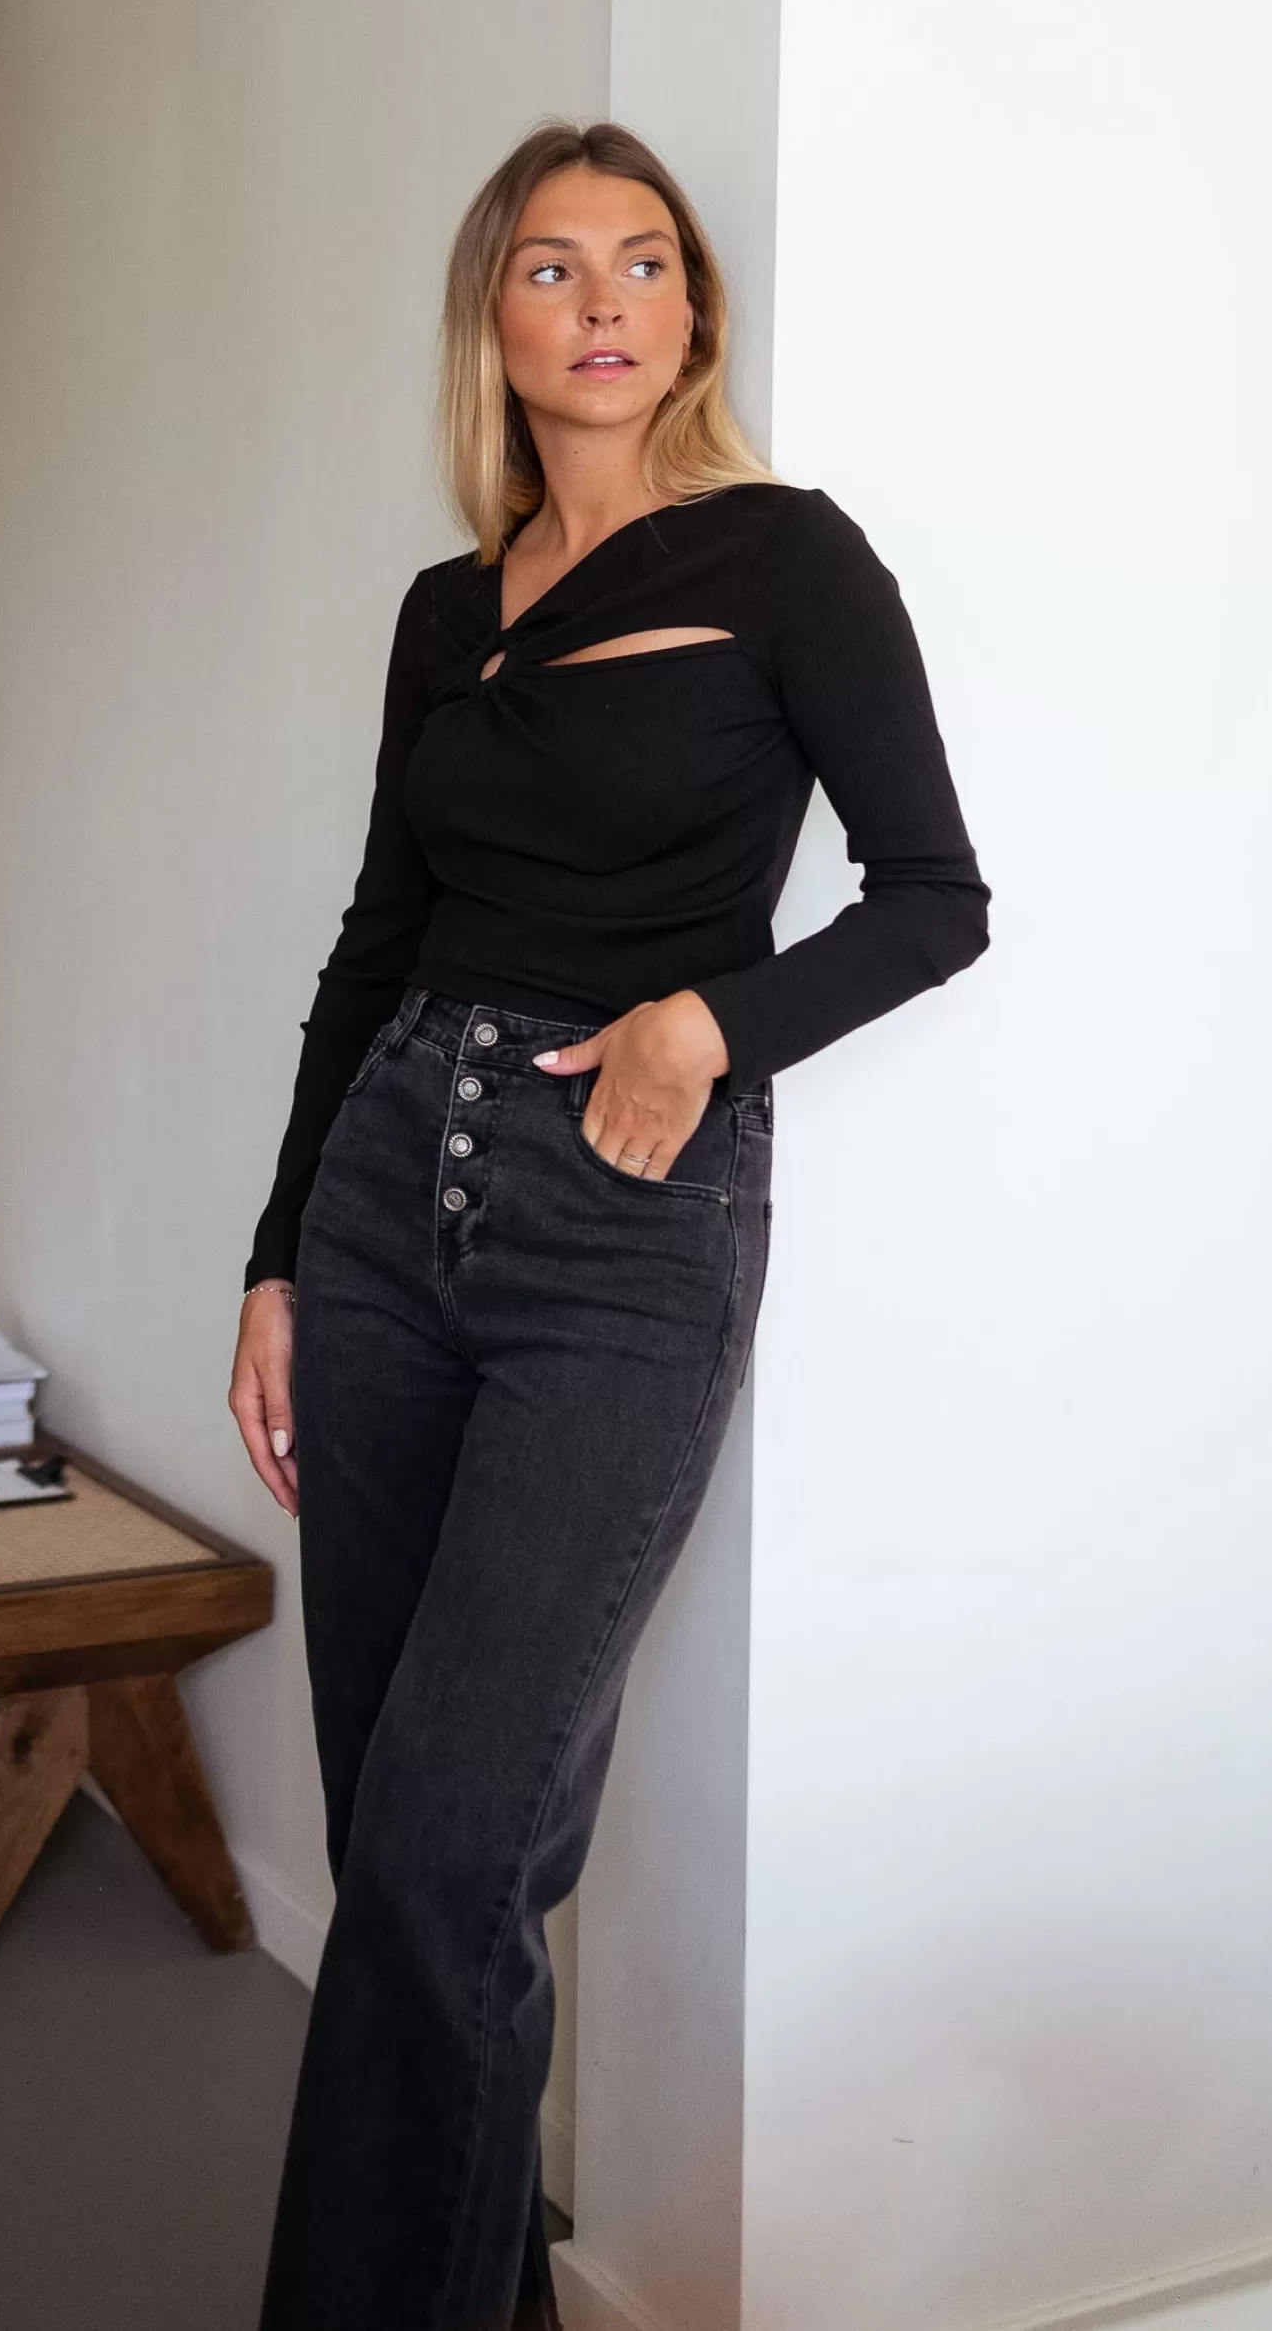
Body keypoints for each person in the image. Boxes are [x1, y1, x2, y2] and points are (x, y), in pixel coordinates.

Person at [228, 118, 990, 2331]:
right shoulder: (444, 610)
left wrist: (708, 1028)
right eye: (554, 267)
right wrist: (275, 1253)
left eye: (646, 263)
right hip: (389, 1200)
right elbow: (378, 937)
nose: (605, 306)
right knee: (404, 1847)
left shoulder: (786, 558)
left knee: (454, 1844)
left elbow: (936, 899)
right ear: (493, 317)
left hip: (623, 1232)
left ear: (696, 310)